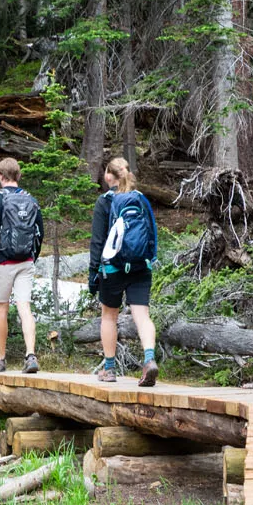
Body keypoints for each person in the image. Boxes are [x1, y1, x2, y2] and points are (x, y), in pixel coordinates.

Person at [87, 156, 158, 386]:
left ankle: (109, 369)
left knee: (109, 315)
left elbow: (98, 242)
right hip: (140, 266)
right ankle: (149, 358)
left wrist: (93, 274)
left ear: (109, 176)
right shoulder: (141, 199)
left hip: (113, 268)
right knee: (142, 315)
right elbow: (152, 234)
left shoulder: (105, 202)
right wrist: (150, 260)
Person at [0, 157, 44, 373]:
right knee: (24, 307)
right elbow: (40, 232)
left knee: (2, 308)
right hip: (25, 261)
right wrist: (31, 257)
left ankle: (0, 358)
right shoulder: (31, 200)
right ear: (18, 176)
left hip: (3, 262)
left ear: (0, 176)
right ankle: (30, 355)